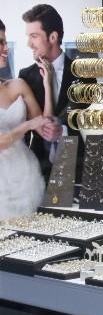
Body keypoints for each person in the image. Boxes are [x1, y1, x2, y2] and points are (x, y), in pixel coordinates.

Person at [18, 4, 85, 180]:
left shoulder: (83, 74)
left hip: (77, 168)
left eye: (34, 36)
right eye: (28, 36)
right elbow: (24, 130)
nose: (29, 44)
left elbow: (87, 122)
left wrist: (62, 129)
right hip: (38, 170)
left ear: (53, 37)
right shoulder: (25, 76)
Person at [0, 18, 53, 219]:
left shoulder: (18, 85)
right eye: (1, 43)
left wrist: (48, 84)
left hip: (24, 173)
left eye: (5, 42)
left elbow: (44, 126)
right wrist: (27, 125)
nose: (6, 48)